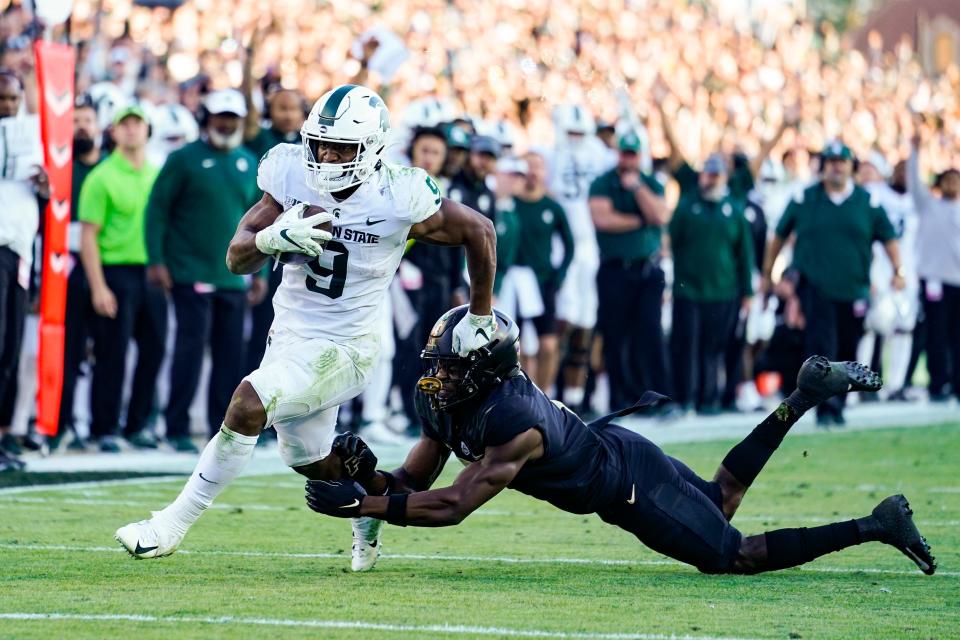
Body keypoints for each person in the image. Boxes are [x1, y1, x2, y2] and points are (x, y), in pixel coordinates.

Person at [115, 84, 498, 575]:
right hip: (290, 338)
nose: (327, 156)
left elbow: (480, 230)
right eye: (320, 144)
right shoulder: (290, 171)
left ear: (373, 149)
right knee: (314, 464)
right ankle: (369, 511)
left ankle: (170, 525)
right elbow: (236, 258)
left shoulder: (397, 194)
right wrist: (273, 238)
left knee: (248, 403)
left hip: (347, 347)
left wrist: (480, 314)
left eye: (342, 148)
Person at [305, 306, 937, 578]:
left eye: (450, 367)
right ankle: (800, 397)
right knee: (720, 499)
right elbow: (414, 487)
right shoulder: (446, 400)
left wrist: (359, 506)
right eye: (437, 362)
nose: (437, 376)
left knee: (732, 555)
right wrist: (370, 478)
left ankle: (875, 525)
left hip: (625, 486)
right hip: (619, 450)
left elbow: (451, 505)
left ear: (487, 371)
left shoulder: (512, 422)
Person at [145, 89, 262, 451]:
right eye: (219, 116)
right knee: (189, 352)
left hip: (234, 278)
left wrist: (261, 274)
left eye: (232, 117)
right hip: (189, 272)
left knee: (230, 357)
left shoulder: (248, 161)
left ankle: (221, 430)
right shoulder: (183, 159)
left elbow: (261, 224)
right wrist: (156, 261)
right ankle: (176, 427)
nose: (226, 123)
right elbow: (157, 211)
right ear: (206, 119)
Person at [762, 142, 904, 425]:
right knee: (822, 347)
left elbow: (888, 237)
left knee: (848, 348)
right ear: (823, 166)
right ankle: (825, 408)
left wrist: (897, 270)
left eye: (842, 161)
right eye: (831, 162)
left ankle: (837, 404)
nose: (836, 167)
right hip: (815, 285)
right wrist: (768, 272)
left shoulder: (866, 201)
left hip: (854, 288)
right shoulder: (805, 198)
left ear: (852, 167)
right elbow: (779, 234)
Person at [79, 105, 167, 452]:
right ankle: (105, 428)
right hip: (115, 272)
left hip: (151, 273)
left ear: (147, 130)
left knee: (154, 350)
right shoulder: (101, 176)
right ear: (113, 132)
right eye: (124, 125)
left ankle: (137, 424)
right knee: (112, 352)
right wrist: (98, 286)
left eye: (137, 124)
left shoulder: (157, 173)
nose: (131, 130)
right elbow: (88, 236)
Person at [588, 131, 673, 411]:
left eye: (632, 153)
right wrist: (640, 219)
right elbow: (602, 219)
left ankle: (657, 398)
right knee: (615, 336)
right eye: (625, 153)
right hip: (615, 269)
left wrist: (637, 189)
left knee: (650, 333)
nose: (628, 158)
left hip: (647, 269)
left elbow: (660, 216)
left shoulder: (648, 183)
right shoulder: (603, 182)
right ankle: (621, 399)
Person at [669, 154, 754, 414]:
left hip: (724, 290)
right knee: (688, 345)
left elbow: (745, 253)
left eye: (717, 175)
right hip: (690, 289)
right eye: (708, 174)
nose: (711, 180)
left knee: (713, 347)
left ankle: (710, 398)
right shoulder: (686, 206)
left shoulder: (733, 208)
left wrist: (747, 290)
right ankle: (686, 398)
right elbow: (672, 242)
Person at [549, 104, 612, 412]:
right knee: (564, 319)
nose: (574, 137)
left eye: (580, 133)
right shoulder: (550, 154)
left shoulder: (599, 152)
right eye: (570, 132)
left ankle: (574, 397)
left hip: (591, 245)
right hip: (562, 244)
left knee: (587, 319)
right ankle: (550, 391)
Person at [0, 70, 45, 463]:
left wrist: (46, 186)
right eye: (2, 99)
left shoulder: (31, 140)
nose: (8, 106)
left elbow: (46, 198)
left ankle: (4, 436)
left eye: (13, 99)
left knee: (10, 346)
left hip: (18, 251)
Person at [57, 95, 104, 448]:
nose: (82, 127)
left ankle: (98, 426)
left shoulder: (107, 167)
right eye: (75, 120)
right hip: (64, 266)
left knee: (104, 350)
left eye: (87, 119)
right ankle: (60, 424)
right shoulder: (59, 169)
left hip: (105, 266)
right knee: (67, 349)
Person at [513, 150, 574, 391]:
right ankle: (520, 396)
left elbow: (570, 245)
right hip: (515, 281)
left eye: (538, 166)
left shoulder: (552, 206)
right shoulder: (510, 203)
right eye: (529, 166)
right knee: (514, 344)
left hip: (543, 280)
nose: (533, 172)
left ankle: (546, 394)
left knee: (548, 344)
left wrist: (559, 277)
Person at [908, 124, 960, 402]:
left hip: (957, 282)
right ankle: (938, 383)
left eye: (957, 179)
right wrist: (915, 150)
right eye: (948, 179)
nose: (952, 183)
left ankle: (957, 383)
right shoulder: (928, 205)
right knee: (936, 335)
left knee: (957, 337)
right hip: (934, 280)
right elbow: (913, 181)